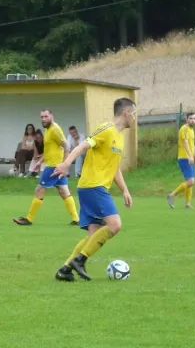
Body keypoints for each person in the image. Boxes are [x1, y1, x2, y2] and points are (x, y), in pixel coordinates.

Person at [53, 98, 136, 282]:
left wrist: (125, 190)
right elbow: (83, 146)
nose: (135, 119)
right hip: (93, 186)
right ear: (126, 113)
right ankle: (80, 261)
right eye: (134, 114)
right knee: (115, 225)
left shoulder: (119, 138)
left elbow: (114, 168)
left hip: (96, 187)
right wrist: (67, 163)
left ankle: (65, 269)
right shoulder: (106, 129)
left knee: (93, 236)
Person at [13, 110, 79, 226]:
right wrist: (40, 161)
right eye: (42, 117)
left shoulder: (54, 129)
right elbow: (50, 150)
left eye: (46, 116)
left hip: (54, 167)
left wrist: (65, 165)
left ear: (52, 116)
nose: (43, 119)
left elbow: (66, 146)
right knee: (64, 191)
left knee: (39, 190)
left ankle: (29, 219)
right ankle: (76, 220)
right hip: (56, 165)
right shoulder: (48, 130)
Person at [167, 113, 195, 209]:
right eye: (190, 118)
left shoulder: (192, 130)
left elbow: (193, 146)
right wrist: (190, 157)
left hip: (189, 158)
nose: (193, 120)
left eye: (194, 118)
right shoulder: (184, 129)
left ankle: (187, 204)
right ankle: (172, 195)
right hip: (184, 158)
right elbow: (185, 143)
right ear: (186, 119)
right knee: (191, 181)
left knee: (190, 182)